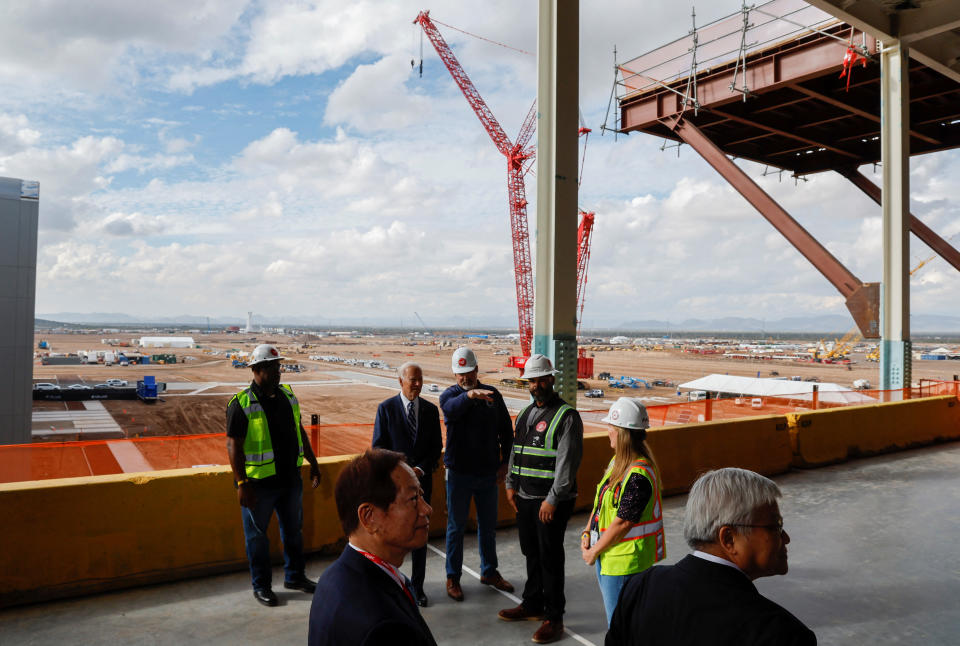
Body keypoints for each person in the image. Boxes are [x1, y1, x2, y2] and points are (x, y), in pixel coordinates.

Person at [606, 467, 816, 646]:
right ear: (729, 539)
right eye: (775, 526)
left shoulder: (641, 587)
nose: (785, 538)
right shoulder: (784, 635)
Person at [225, 343, 322, 607]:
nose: (279, 372)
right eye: (273, 367)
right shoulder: (241, 403)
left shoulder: (288, 396)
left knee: (293, 531)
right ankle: (262, 586)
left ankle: (295, 577)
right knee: (257, 538)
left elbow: (298, 430)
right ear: (257, 370)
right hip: (258, 486)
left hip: (290, 480)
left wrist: (313, 462)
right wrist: (242, 484)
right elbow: (233, 445)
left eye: (279, 366)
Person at [309, 449, 436, 646]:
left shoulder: (333, 577)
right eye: (413, 499)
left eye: (421, 495)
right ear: (369, 517)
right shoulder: (384, 627)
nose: (427, 509)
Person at [499, 354, 583, 644]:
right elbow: (515, 451)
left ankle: (554, 617)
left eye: (539, 379)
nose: (535, 385)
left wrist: (552, 499)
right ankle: (532, 603)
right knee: (530, 552)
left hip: (550, 502)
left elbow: (567, 465)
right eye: (531, 381)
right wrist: (510, 483)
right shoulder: (524, 414)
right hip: (524, 497)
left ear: (551, 379)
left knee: (549, 557)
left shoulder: (566, 416)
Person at [581, 397, 665, 626]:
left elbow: (623, 523)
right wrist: (588, 531)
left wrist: (593, 551)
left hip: (625, 563)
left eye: (611, 427)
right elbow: (601, 500)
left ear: (623, 433)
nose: (608, 431)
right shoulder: (617, 462)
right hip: (609, 556)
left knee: (620, 627)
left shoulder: (638, 476)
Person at [440, 346, 514, 602]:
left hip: (487, 473)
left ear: (476, 369)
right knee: (456, 527)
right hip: (459, 474)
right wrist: (470, 395)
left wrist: (505, 464)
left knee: (488, 527)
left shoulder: (493, 395)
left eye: (468, 372)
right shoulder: (449, 396)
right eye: (460, 374)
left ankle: (489, 571)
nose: (465, 377)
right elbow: (450, 410)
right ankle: (453, 577)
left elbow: (506, 431)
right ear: (454, 374)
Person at [372, 362, 443, 607]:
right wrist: (402, 471)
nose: (417, 384)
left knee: (420, 536)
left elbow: (435, 448)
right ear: (400, 381)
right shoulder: (386, 409)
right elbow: (378, 448)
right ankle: (393, 586)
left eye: (420, 379)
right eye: (412, 379)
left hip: (423, 485)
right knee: (393, 537)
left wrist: (420, 470)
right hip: (395, 487)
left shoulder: (431, 411)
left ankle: (418, 587)